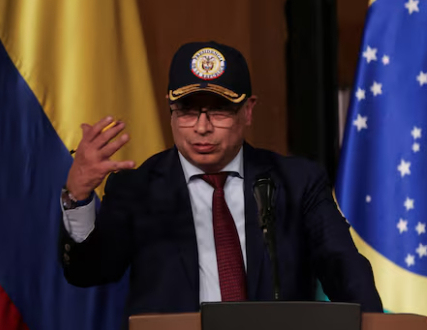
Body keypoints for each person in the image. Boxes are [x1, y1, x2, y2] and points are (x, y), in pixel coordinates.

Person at [59, 41, 383, 323]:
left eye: (219, 112)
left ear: (248, 111)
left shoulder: (298, 183)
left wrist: (374, 324)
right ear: (170, 111)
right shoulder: (137, 188)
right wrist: (78, 196)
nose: (202, 128)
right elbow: (88, 272)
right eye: (187, 111)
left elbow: (343, 266)